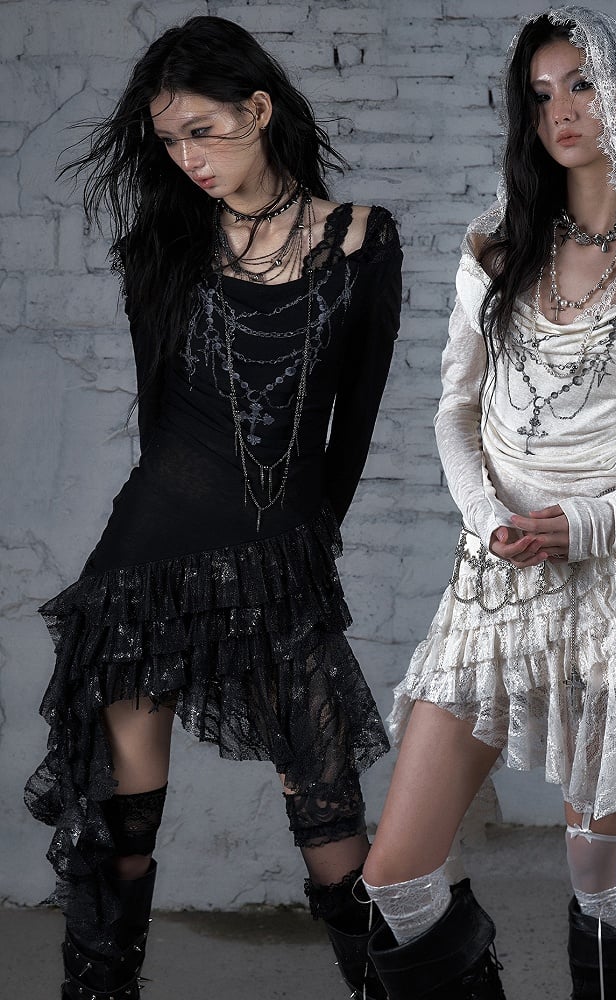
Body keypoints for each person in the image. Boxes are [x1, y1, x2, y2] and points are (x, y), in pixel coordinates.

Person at [24, 15, 401, 1000]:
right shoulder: (163, 248)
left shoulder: (361, 239)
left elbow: (352, 426)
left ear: (258, 110)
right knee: (123, 832)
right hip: (147, 565)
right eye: (169, 140)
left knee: (330, 818)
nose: (187, 157)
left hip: (278, 558)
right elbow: (162, 425)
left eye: (201, 130)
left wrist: (303, 548)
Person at [361, 7, 616, 1000]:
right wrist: (487, 518)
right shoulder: (494, 248)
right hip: (489, 584)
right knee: (394, 875)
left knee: (595, 877)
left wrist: (593, 524)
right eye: (539, 94)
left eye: (582, 84)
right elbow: (454, 409)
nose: (560, 110)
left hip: (605, 592)